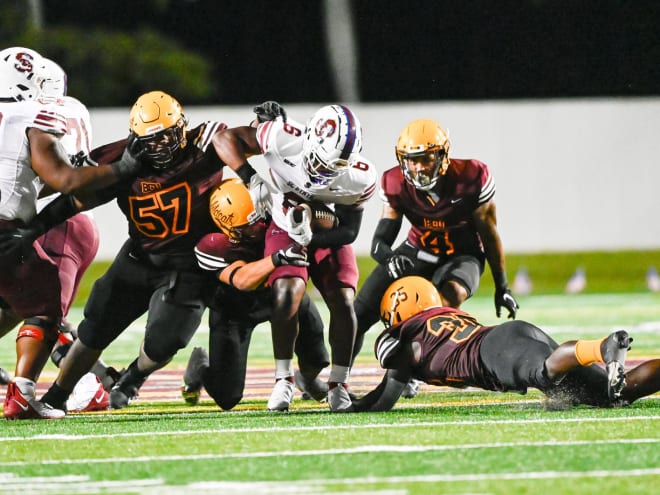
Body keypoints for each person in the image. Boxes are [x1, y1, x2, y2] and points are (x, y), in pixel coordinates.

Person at [14, 90, 258, 416]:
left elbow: (254, 139)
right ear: (135, 137)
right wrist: (33, 228)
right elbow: (77, 199)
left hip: (190, 263)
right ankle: (57, 395)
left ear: (182, 127)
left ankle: (133, 376)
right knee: (94, 327)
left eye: (169, 135)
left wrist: (271, 128)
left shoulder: (204, 143)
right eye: (152, 139)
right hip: (139, 256)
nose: (162, 146)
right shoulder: (120, 159)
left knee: (167, 337)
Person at [0, 47, 141, 420]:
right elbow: (62, 179)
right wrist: (121, 169)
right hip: (41, 221)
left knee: (30, 304)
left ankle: (83, 383)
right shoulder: (39, 114)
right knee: (42, 306)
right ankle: (45, 390)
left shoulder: (31, 113)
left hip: (43, 222)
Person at [211, 104, 378, 411]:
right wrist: (250, 177)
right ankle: (283, 379)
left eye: (333, 168)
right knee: (287, 291)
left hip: (326, 231)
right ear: (309, 140)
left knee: (342, 299)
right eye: (320, 162)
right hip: (284, 221)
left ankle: (339, 383)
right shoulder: (283, 137)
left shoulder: (359, 178)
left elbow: (350, 231)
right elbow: (223, 139)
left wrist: (314, 238)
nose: (323, 173)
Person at [352, 118, 519, 397]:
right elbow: (380, 242)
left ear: (442, 155)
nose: (418, 167)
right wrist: (390, 258)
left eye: (426, 159)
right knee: (358, 312)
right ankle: (336, 378)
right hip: (417, 251)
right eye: (412, 160)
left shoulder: (471, 176)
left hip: (462, 256)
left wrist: (502, 286)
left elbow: (489, 236)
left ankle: (409, 372)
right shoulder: (394, 181)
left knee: (444, 301)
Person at [352, 276, 660, 412]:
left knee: (545, 372)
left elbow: (385, 396)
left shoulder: (408, 335)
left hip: (492, 353)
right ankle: (609, 361)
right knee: (614, 395)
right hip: (506, 336)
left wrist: (355, 407)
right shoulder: (445, 316)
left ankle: (603, 348)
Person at [182, 178, 330, 409]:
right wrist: (278, 258)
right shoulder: (212, 244)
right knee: (227, 397)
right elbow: (243, 280)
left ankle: (307, 379)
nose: (262, 224)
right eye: (251, 224)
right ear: (230, 230)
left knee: (318, 357)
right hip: (234, 311)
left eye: (261, 215)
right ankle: (199, 370)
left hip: (278, 294)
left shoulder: (275, 214)